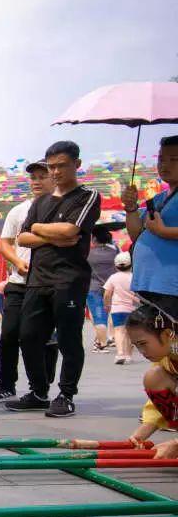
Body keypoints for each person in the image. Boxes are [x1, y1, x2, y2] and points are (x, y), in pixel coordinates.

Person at [8, 141, 100, 418]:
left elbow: (72, 229)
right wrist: (47, 231)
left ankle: (66, 394)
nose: (56, 171)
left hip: (68, 279)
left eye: (62, 165)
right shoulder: (41, 202)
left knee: (69, 338)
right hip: (37, 279)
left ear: (77, 165)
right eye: (52, 167)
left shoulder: (87, 196)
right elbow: (22, 237)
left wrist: (45, 231)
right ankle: (38, 391)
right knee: (28, 336)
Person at [0, 161, 55, 401]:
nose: (36, 181)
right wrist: (17, 262)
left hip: (48, 283)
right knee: (9, 334)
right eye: (33, 177)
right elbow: (5, 243)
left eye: (42, 176)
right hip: (18, 281)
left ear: (55, 177)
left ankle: (40, 386)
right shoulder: (18, 211)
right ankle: (6, 383)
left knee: (39, 336)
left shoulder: (61, 209)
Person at [124, 135, 178, 312]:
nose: (164, 164)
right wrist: (131, 209)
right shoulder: (159, 198)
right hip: (148, 283)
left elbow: (159, 230)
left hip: (171, 286)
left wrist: (163, 232)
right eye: (161, 159)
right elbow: (136, 234)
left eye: (174, 159)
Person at [124, 302, 178, 451]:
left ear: (167, 334)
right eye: (136, 346)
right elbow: (155, 404)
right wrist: (140, 434)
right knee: (154, 377)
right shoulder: (167, 355)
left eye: (143, 343)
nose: (141, 351)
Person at [87, 227, 119, 352]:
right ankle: (105, 339)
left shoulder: (89, 254)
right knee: (108, 314)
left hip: (93, 287)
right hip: (111, 287)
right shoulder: (114, 252)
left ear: (94, 238)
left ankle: (102, 344)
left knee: (98, 317)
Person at [103, 251, 135, 364]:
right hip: (132, 309)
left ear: (116, 266)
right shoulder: (134, 277)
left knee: (118, 330)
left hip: (117, 309)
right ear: (131, 265)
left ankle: (120, 353)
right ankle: (128, 354)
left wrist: (107, 305)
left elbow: (107, 293)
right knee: (129, 332)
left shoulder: (113, 277)